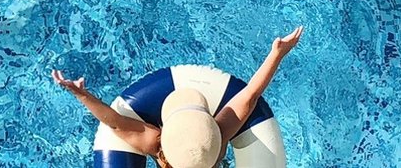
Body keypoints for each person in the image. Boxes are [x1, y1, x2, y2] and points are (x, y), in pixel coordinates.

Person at [52, 26, 304, 168]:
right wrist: (277, 55)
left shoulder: (157, 144)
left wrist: (82, 94)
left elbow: (115, 123)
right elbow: (250, 96)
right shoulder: (216, 139)